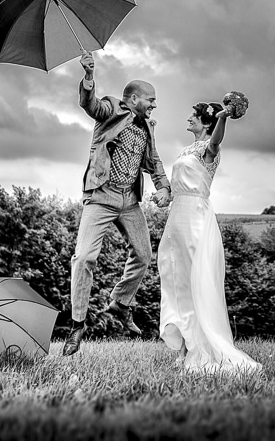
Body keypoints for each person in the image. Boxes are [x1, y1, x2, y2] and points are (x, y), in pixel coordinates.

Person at [63, 51, 170, 356]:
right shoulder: (112, 109)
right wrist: (87, 76)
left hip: (130, 201)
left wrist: (163, 186)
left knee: (144, 253)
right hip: (101, 197)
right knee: (83, 257)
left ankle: (120, 303)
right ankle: (78, 325)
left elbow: (153, 161)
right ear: (133, 98)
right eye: (150, 99)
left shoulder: (146, 125)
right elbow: (90, 104)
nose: (153, 105)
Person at [157, 100, 261, 372]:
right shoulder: (185, 149)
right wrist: (164, 194)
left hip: (195, 218)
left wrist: (224, 116)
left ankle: (203, 348)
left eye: (194, 116)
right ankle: (184, 347)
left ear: (206, 123)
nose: (189, 118)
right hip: (176, 216)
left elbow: (216, 142)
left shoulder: (208, 149)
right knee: (175, 279)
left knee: (195, 282)